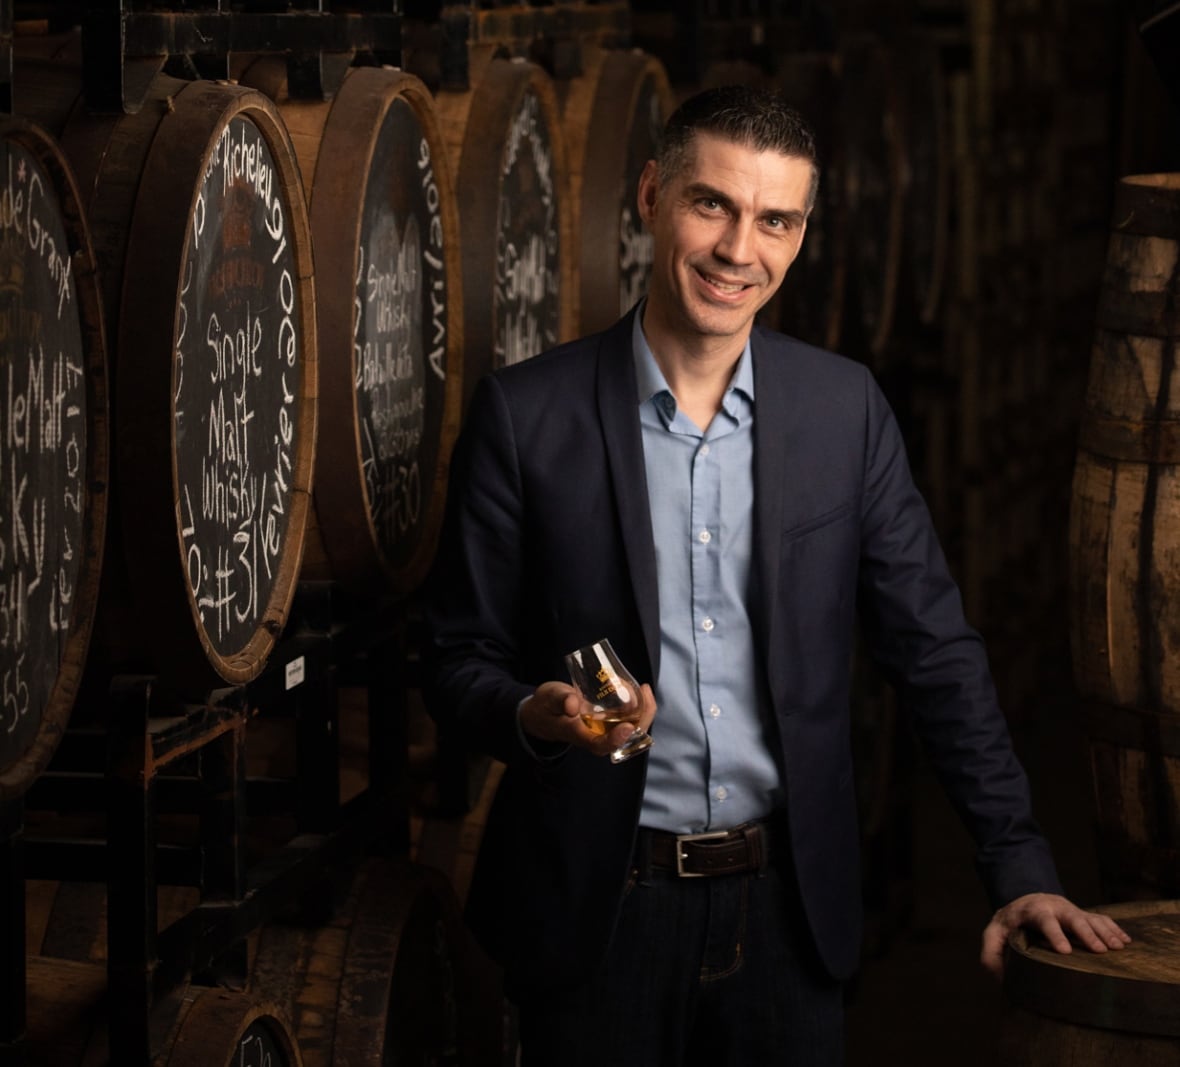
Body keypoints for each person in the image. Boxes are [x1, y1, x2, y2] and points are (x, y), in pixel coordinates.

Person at [422, 85, 1129, 1066]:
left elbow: (931, 647)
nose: (736, 249)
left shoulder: (843, 411)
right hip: (599, 910)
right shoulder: (524, 416)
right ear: (650, 194)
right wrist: (537, 714)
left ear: (800, 233)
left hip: (788, 917)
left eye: (774, 220)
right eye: (711, 204)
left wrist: (1017, 863)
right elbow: (455, 658)